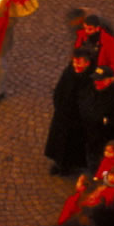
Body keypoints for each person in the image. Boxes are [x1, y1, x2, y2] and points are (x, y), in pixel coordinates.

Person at [45, 46, 95, 176]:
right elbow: (59, 90)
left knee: (73, 144)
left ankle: (69, 166)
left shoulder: (91, 78)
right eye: (75, 62)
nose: (76, 65)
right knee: (58, 141)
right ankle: (58, 163)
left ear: (87, 63)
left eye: (79, 62)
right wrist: (59, 107)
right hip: (62, 115)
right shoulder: (69, 72)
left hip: (78, 119)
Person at [80, 65, 114, 173]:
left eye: (100, 80)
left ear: (110, 80)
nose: (97, 82)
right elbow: (82, 100)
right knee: (91, 152)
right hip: (90, 131)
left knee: (103, 156)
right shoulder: (91, 88)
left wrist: (104, 121)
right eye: (95, 79)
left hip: (107, 135)